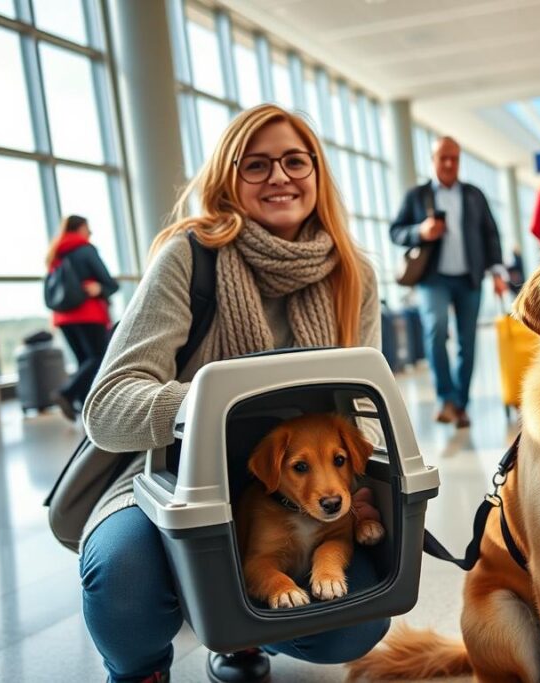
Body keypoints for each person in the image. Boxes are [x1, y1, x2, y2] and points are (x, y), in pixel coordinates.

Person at [79, 104, 387, 683]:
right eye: (256, 165)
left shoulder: (354, 274)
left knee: (351, 624)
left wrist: (356, 482)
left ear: (317, 175)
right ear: (228, 178)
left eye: (296, 161)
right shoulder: (189, 257)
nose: (279, 177)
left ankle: (245, 635)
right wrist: (217, 407)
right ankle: (142, 670)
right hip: (170, 476)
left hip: (299, 484)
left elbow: (359, 413)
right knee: (123, 579)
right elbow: (109, 405)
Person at [390, 136, 506, 429]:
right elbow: (396, 231)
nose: (449, 163)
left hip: (470, 278)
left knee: (467, 341)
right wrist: (420, 231)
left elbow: (490, 234)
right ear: (432, 160)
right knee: (436, 330)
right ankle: (446, 399)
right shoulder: (417, 196)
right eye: (443, 158)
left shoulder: (474, 195)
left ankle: (461, 405)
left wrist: (497, 273)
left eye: (454, 158)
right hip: (433, 279)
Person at [45, 214, 119, 421]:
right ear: (80, 229)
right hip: (88, 313)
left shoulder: (55, 253)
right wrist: (101, 288)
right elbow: (110, 283)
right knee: (98, 357)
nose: (90, 232)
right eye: (88, 228)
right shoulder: (85, 249)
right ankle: (67, 392)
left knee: (84, 362)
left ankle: (83, 405)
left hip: (63, 317)